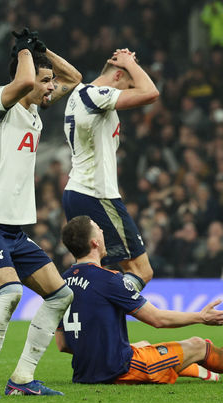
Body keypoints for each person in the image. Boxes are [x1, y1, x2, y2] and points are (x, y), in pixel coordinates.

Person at [0, 28, 82, 398]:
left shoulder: (34, 110)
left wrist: (43, 49)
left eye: (51, 82)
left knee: (60, 295)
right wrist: (24, 51)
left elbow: (74, 78)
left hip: (14, 230)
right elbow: (25, 80)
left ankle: (22, 378)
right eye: (45, 81)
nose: (51, 87)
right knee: (10, 293)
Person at [55, 215, 223, 385]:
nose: (103, 233)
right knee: (198, 345)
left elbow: (63, 344)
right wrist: (200, 317)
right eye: (99, 230)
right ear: (94, 243)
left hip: (84, 374)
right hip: (120, 370)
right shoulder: (109, 279)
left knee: (143, 345)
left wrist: (96, 354)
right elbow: (157, 319)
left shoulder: (61, 282)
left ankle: (203, 371)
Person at [61, 48, 159, 294]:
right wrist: (129, 64)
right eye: (127, 85)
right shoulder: (95, 95)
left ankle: (84, 312)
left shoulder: (79, 95)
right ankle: (106, 310)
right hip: (97, 194)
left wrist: (128, 62)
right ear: (116, 76)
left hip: (78, 192)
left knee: (94, 272)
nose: (128, 92)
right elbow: (150, 93)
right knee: (142, 271)